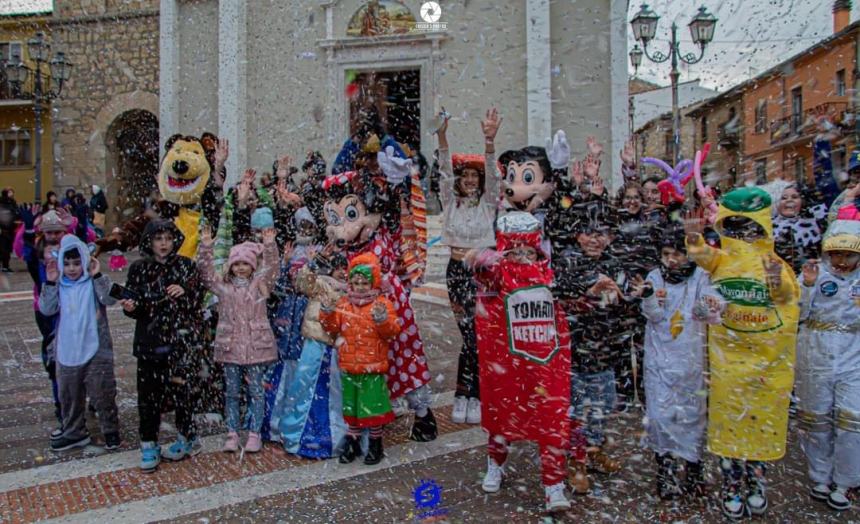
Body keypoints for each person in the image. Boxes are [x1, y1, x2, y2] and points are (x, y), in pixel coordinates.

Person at [685, 187, 800, 519]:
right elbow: (702, 256)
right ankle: (732, 484)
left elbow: (787, 307)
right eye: (734, 226)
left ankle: (756, 482)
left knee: (760, 424)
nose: (742, 234)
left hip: (765, 363)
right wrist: (693, 240)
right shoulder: (722, 258)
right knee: (731, 427)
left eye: (749, 227)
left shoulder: (774, 263)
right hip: (728, 363)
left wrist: (778, 285)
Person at [469, 212, 572, 512]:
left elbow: (571, 303)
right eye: (515, 251)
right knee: (502, 416)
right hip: (507, 365)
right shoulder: (498, 274)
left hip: (545, 365)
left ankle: (554, 485)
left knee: (551, 419)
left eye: (528, 251)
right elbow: (480, 269)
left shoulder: (551, 274)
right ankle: (495, 462)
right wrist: (486, 257)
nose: (523, 257)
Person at [554, 205, 638, 484]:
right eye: (589, 233)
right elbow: (561, 304)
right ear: (578, 235)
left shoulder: (614, 263)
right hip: (575, 353)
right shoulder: (567, 261)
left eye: (602, 234)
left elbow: (625, 307)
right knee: (576, 411)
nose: (595, 239)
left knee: (601, 407)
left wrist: (634, 296)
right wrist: (591, 294)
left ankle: (595, 451)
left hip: (605, 354)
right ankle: (576, 461)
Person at [638, 223, 723, 500]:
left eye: (678, 254)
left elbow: (708, 310)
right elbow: (652, 315)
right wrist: (650, 298)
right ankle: (665, 471)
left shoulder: (701, 276)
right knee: (661, 417)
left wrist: (707, 307)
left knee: (691, 417)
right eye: (666, 254)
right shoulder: (655, 276)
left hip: (690, 361)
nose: (672, 260)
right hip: (659, 360)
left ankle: (694, 470)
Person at [122, 220, 205, 472]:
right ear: (149, 242)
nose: (164, 244)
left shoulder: (186, 266)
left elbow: (197, 297)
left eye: (168, 238)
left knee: (183, 393)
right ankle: (148, 443)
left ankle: (186, 437)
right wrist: (131, 307)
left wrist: (185, 291)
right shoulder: (138, 269)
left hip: (179, 342)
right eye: (158, 239)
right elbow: (133, 302)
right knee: (149, 397)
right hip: (149, 342)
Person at [437, 108, 501, 424]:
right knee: (468, 333)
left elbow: (494, 172)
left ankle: (470, 394)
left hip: (482, 275)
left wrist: (489, 142)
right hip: (456, 272)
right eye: (467, 176)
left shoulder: (488, 205)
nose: (471, 180)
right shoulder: (451, 203)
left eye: (476, 176)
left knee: (479, 334)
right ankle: (467, 393)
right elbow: (442, 172)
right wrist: (441, 135)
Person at [796, 219, 860, 512]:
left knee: (852, 422)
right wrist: (808, 286)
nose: (842, 262)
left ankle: (846, 480)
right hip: (815, 353)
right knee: (816, 419)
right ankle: (820, 475)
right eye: (837, 254)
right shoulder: (813, 274)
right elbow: (796, 312)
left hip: (853, 356)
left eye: (849, 255)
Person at [199, 225, 279, 453]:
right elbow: (206, 275)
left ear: (252, 265)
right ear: (231, 266)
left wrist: (270, 246)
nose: (241, 268)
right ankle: (232, 432)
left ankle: (255, 433)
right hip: (230, 348)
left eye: (245, 263)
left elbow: (273, 269)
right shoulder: (223, 287)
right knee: (232, 392)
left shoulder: (260, 285)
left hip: (256, 348)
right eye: (237, 263)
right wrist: (206, 248)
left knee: (256, 392)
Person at [39, 235, 120, 452]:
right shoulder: (60, 286)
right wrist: (50, 281)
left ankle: (110, 429)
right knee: (70, 394)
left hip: (96, 349)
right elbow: (47, 309)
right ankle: (74, 431)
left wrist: (97, 275)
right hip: (67, 349)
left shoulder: (92, 283)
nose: (72, 269)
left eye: (77, 263)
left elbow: (109, 299)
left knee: (102, 392)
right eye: (67, 264)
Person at [320, 252, 400, 465]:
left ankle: (375, 444)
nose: (360, 286)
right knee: (352, 407)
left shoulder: (381, 304)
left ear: (373, 282)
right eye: (356, 282)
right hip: (349, 366)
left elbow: (391, 332)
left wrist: (382, 320)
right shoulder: (344, 305)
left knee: (372, 408)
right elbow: (332, 328)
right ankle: (353, 442)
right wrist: (327, 313)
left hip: (372, 367)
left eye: (365, 282)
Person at [277, 252, 349, 458]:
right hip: (315, 347)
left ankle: (334, 437)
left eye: (346, 268)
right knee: (305, 389)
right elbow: (302, 282)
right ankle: (299, 435)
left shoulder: (354, 292)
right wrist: (314, 263)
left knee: (335, 395)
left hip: (337, 349)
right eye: (339, 268)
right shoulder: (320, 285)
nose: (343, 273)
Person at [0, 188, 18, 272]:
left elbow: (16, 213)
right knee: (3, 249)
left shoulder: (13, 202)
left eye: (12, 192)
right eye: (10, 192)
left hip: (11, 229)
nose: (11, 194)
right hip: (2, 230)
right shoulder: (1, 203)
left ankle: (6, 266)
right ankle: (4, 266)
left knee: (8, 249)